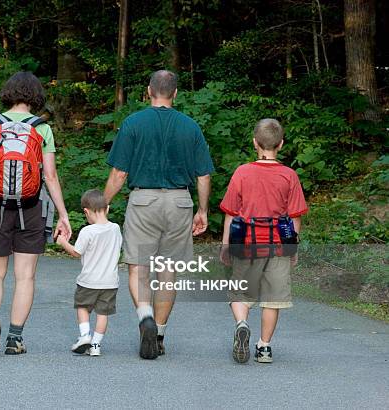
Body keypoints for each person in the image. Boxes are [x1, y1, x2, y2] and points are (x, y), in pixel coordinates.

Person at [104, 70, 214, 360]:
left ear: (149, 91)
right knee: (168, 273)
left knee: (139, 268)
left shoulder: (133, 123)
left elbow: (119, 173)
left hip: (143, 201)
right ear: (175, 93)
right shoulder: (190, 127)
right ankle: (160, 334)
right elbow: (203, 175)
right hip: (179, 202)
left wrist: (103, 203)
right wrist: (202, 210)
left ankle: (145, 317)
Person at [0, 71, 71, 355]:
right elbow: (50, 176)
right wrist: (63, 214)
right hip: (31, 208)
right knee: (25, 276)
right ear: (35, 95)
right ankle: (14, 339)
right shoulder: (42, 129)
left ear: (8, 93)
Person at [219, 118, 308, 364]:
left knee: (239, 292)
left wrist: (226, 245)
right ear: (280, 144)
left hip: (245, 242)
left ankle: (241, 323)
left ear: (254, 143)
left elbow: (231, 212)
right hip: (278, 245)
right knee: (273, 297)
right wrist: (292, 247)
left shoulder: (242, 172)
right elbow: (295, 218)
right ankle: (264, 347)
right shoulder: (289, 176)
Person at [56, 189, 122, 357]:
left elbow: (77, 252)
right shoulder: (115, 229)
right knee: (103, 313)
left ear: (86, 212)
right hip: (110, 282)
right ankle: (95, 345)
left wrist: (63, 242)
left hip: (88, 281)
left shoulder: (88, 231)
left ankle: (85, 336)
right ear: (107, 209)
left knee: (82, 307)